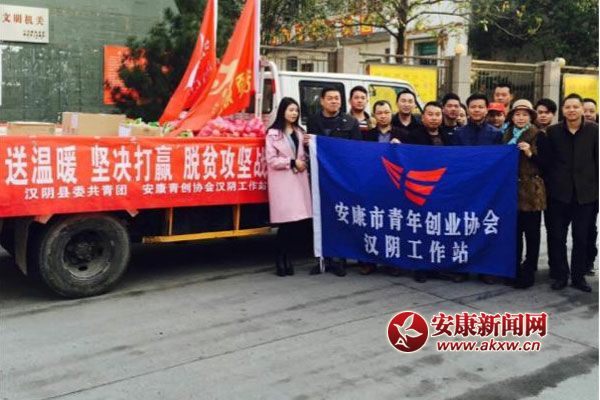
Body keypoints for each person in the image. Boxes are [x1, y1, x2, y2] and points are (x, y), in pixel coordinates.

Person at [542, 93, 598, 292]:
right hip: (558, 194)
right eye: (568, 107)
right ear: (563, 110)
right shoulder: (552, 132)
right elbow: (547, 162)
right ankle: (560, 275)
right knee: (557, 237)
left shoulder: (594, 131)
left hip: (586, 195)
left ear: (582, 109)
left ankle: (578, 277)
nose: (572, 110)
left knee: (581, 238)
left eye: (575, 107)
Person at [307, 87, 361, 277]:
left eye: (337, 98)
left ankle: (340, 260)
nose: (334, 101)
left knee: (341, 216)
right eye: (329, 98)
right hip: (321, 177)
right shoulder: (313, 121)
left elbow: (356, 150)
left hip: (341, 178)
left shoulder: (350, 122)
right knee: (321, 217)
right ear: (322, 101)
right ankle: (322, 259)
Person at [453, 94, 502, 284]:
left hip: (487, 188)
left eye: (481, 107)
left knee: (485, 228)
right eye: (473, 107)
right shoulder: (459, 133)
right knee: (463, 228)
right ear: (467, 109)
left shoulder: (496, 134)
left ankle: (485, 269)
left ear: (486, 109)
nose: (477, 110)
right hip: (464, 188)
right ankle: (462, 268)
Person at [405, 101, 453, 283]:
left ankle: (437, 266)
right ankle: (420, 267)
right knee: (421, 231)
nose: (434, 118)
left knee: (438, 230)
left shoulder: (448, 136)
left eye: (437, 115)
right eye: (430, 114)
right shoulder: (414, 136)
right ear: (423, 117)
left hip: (442, 190)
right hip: (421, 189)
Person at [358, 100, 406, 276]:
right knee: (372, 224)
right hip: (374, 183)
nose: (383, 116)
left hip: (395, 185)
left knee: (393, 225)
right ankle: (369, 261)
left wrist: (402, 147)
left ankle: (393, 263)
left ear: (391, 113)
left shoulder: (403, 134)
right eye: (379, 113)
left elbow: (413, 158)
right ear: (374, 115)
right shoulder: (367, 136)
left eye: (386, 112)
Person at [502, 99, 546, 289]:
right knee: (514, 232)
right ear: (512, 117)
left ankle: (529, 269)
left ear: (530, 117)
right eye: (517, 114)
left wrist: (529, 153)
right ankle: (514, 267)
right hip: (511, 190)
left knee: (532, 233)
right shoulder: (505, 134)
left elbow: (546, 163)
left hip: (531, 191)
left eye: (525, 115)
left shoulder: (538, 135)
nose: (520, 118)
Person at [266, 97, 312, 277]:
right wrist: (292, 162)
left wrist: (304, 160)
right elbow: (271, 160)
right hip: (283, 182)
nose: (294, 113)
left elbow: (304, 155)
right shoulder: (273, 134)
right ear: (282, 111)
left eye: (296, 110)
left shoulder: (300, 132)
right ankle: (280, 258)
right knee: (285, 224)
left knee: (296, 224)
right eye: (291, 110)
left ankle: (287, 258)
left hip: (299, 180)